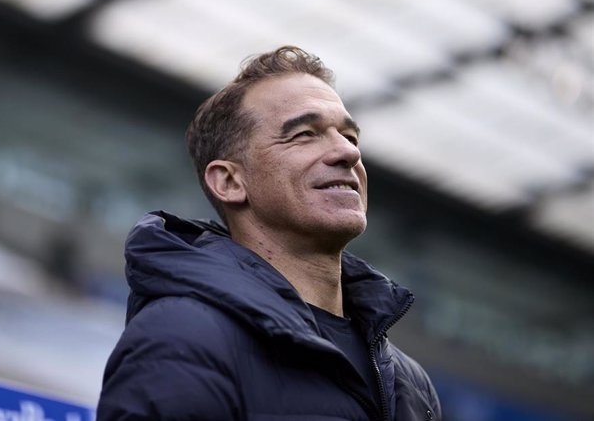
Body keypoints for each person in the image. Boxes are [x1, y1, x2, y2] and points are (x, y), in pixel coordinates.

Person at [97, 46, 442, 421]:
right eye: (305, 134)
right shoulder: (182, 336)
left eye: (350, 137)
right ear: (229, 181)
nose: (347, 153)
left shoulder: (412, 382)